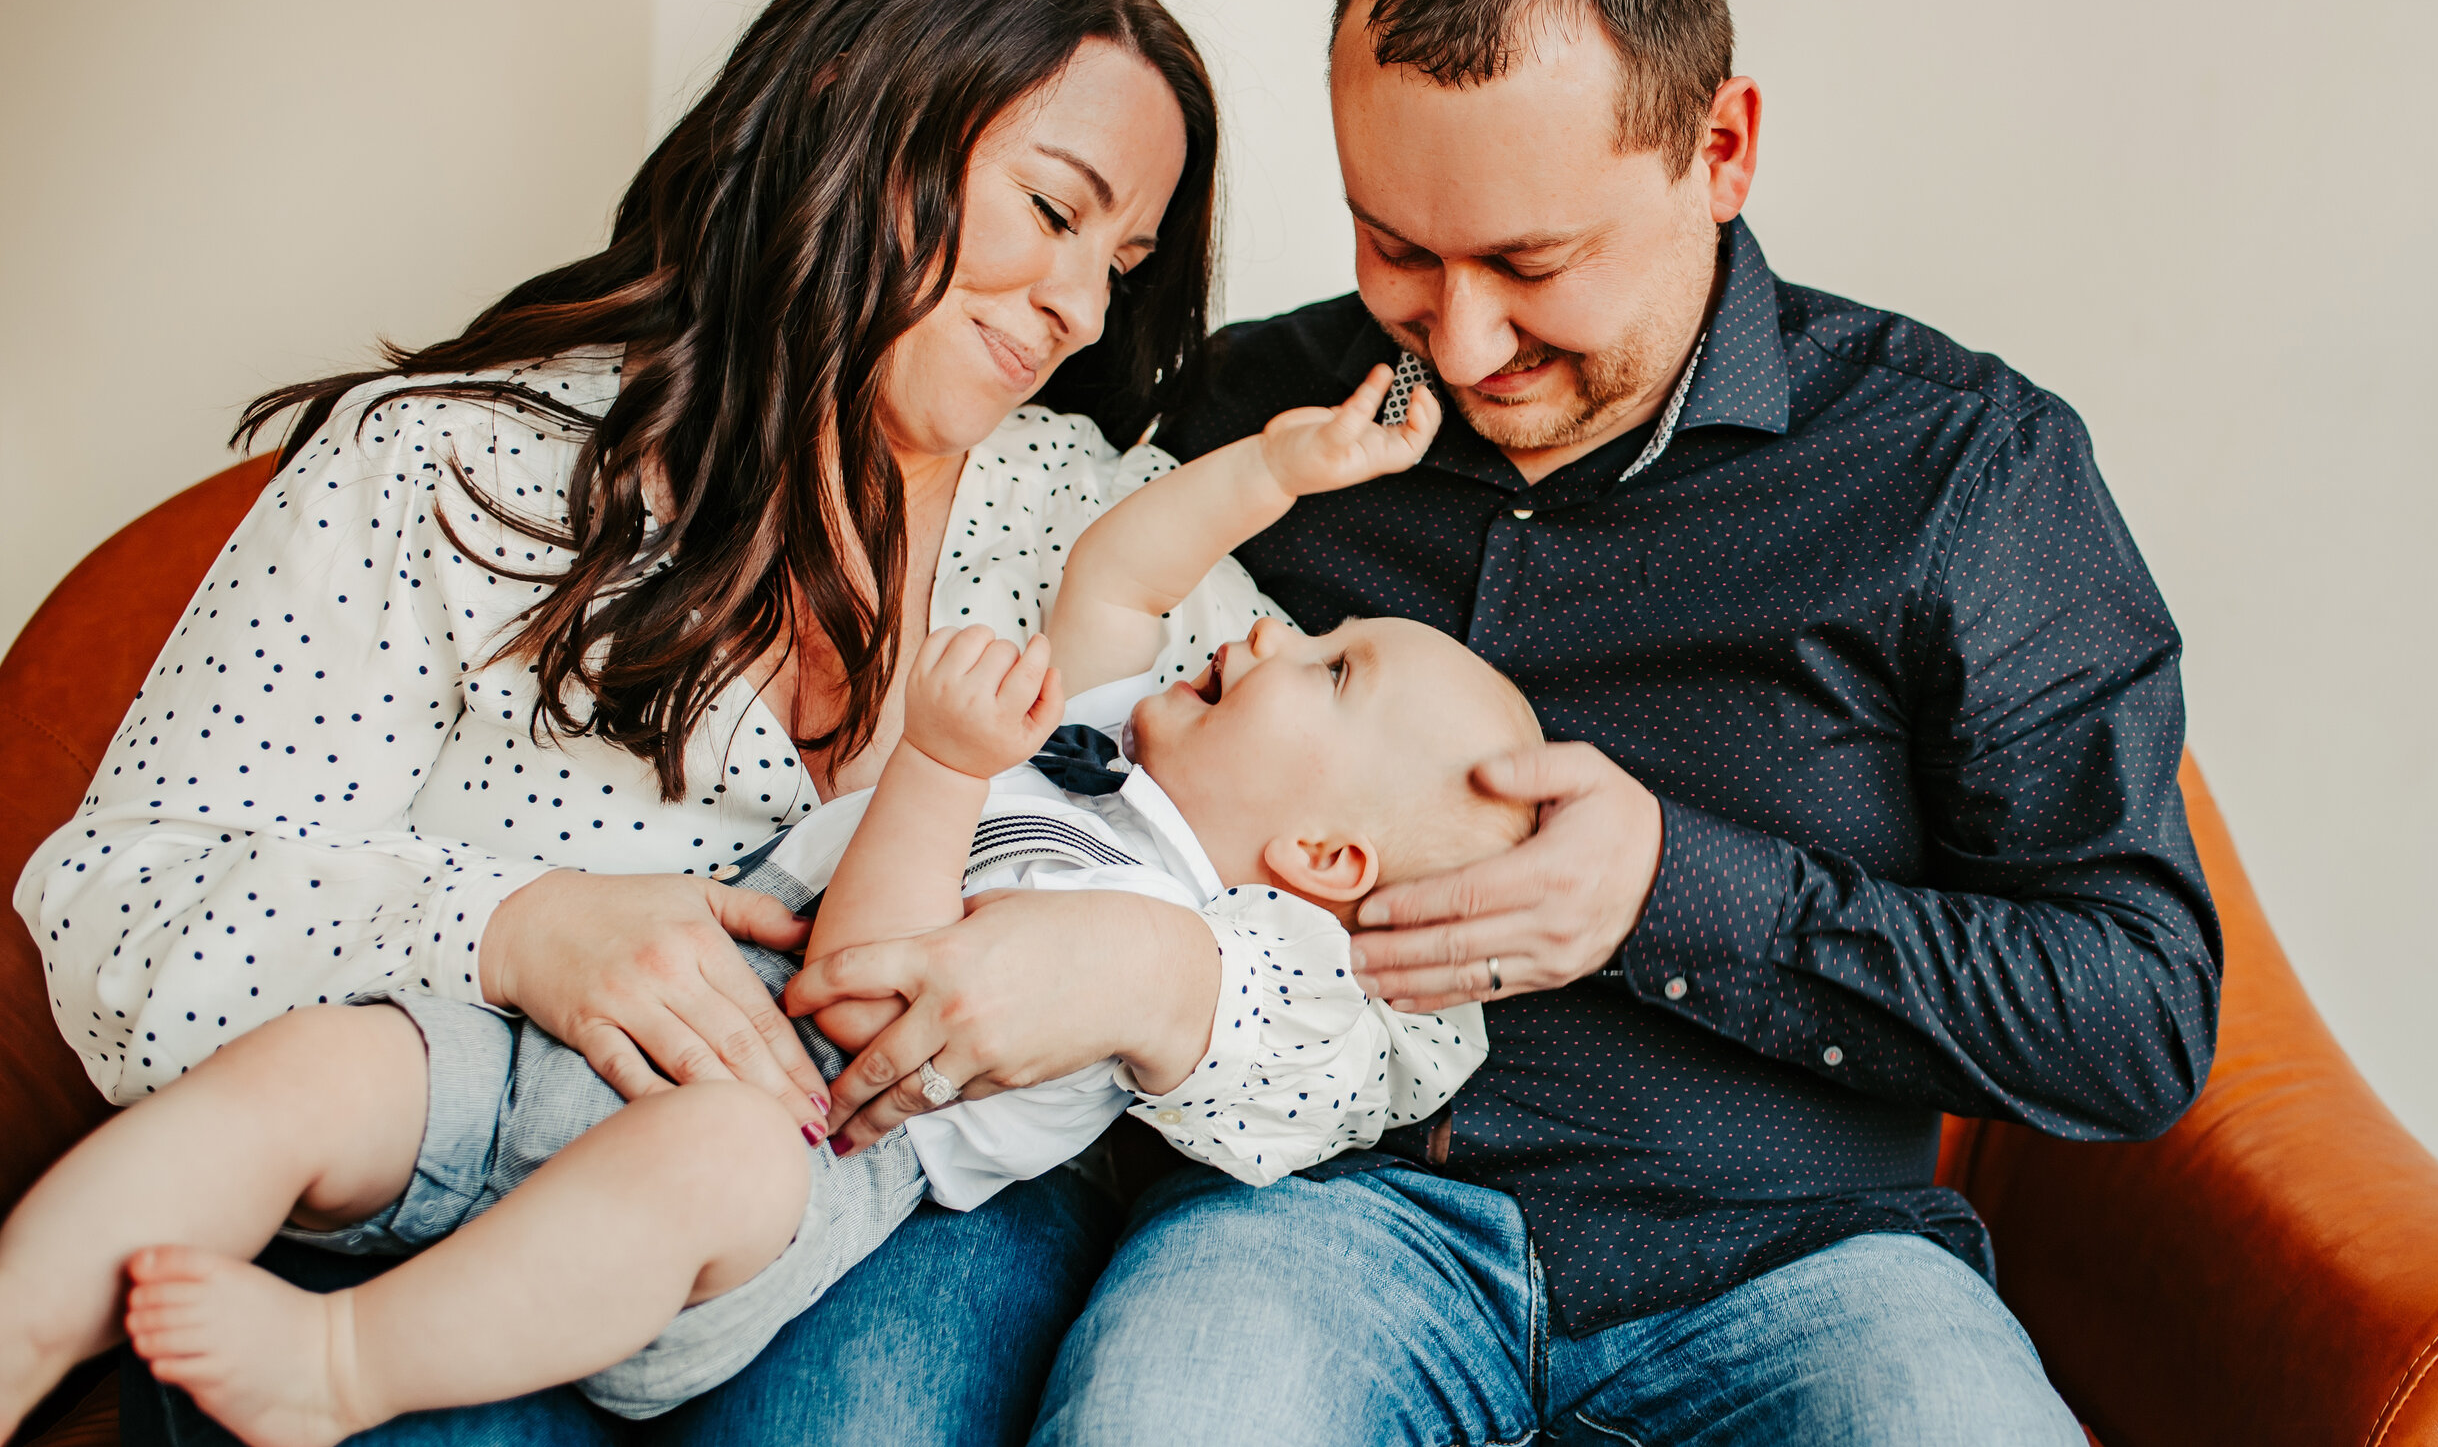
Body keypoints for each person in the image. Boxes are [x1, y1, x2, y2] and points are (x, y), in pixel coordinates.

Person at [11, 0, 1388, 1447]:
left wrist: (1162, 980)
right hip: (458, 1169)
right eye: (1053, 212)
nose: (1083, 309)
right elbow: (121, 906)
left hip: (880, 1214)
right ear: (847, 115)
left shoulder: (1091, 526)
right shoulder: (456, 463)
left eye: (1123, 263)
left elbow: (1413, 1009)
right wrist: (511, 928)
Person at [1007, 0, 2223, 1445]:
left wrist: (1678, 889)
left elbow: (2133, 1015)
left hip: (1803, 1263)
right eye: (1396, 249)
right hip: (1307, 1227)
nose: (1461, 336)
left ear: (1721, 150)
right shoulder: (1253, 418)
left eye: (1532, 261)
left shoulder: (1960, 472)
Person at [0, 364, 1526, 1447]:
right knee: (315, 1066)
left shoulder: (1126, 905)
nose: (1263, 638)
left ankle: (339, 1362)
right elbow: (1125, 568)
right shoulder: (1107, 730)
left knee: (717, 1155)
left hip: (765, 1185)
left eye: (1325, 665)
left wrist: (938, 765)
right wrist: (1278, 468)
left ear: (1328, 862)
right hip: (569, 1047)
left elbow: (864, 986)